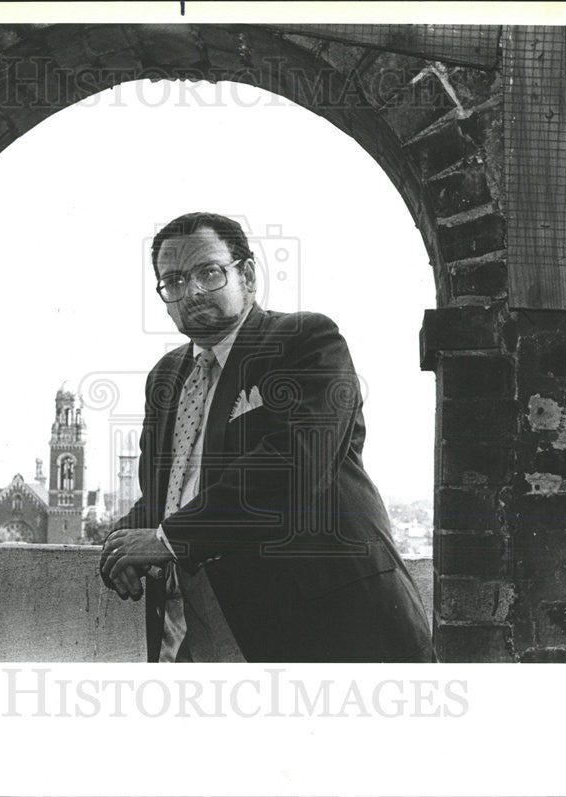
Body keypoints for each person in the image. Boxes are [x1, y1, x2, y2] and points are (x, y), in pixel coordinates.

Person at [100, 212, 434, 663]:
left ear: (249, 274)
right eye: (174, 280)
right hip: (195, 636)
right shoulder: (164, 378)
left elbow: (293, 469)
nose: (192, 292)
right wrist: (123, 541)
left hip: (321, 630)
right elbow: (167, 496)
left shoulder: (304, 340)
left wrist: (163, 541)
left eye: (209, 272)